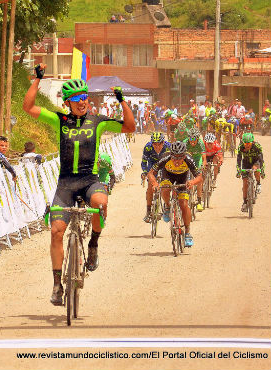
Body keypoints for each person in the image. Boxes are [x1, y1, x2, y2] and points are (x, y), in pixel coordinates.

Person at [23, 63, 135, 306]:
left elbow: (130, 127)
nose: (81, 101)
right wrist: (37, 79)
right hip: (66, 184)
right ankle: (56, 285)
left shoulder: (98, 121)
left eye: (84, 97)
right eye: (76, 98)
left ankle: (93, 243)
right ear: (67, 102)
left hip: (89, 180)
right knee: (55, 233)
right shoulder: (60, 120)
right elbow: (28, 107)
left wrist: (122, 100)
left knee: (100, 203)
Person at [147, 141, 202, 247]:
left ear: (184, 156)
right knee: (165, 188)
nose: (176, 161)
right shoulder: (165, 157)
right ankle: (167, 206)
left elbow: (200, 177)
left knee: (183, 204)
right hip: (168, 176)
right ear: (170, 155)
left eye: (180, 158)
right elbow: (150, 173)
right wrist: (154, 183)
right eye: (174, 158)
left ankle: (187, 232)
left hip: (183, 177)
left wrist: (192, 182)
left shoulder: (189, 160)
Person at [141, 132, 170, 222]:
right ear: (152, 143)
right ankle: (148, 211)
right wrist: (145, 172)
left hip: (165, 165)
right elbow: (143, 162)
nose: (157, 146)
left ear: (163, 143)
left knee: (166, 186)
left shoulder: (168, 147)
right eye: (154, 144)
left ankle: (167, 206)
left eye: (159, 144)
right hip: (152, 165)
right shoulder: (148, 147)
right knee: (150, 186)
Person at [236, 133, 265, 212]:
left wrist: (262, 170)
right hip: (245, 163)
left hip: (255, 161)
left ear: (252, 142)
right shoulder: (241, 147)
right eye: (245, 143)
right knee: (245, 183)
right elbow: (239, 159)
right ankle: (245, 202)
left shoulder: (257, 146)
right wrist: (238, 170)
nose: (247, 145)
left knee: (255, 169)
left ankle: (258, 183)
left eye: (249, 143)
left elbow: (261, 159)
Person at [183, 128, 206, 211]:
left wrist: (203, 166)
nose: (192, 141)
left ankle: (199, 202)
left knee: (199, 179)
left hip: (197, 159)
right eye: (190, 139)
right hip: (188, 159)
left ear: (198, 138)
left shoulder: (200, 143)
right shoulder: (185, 143)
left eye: (194, 139)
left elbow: (204, 158)